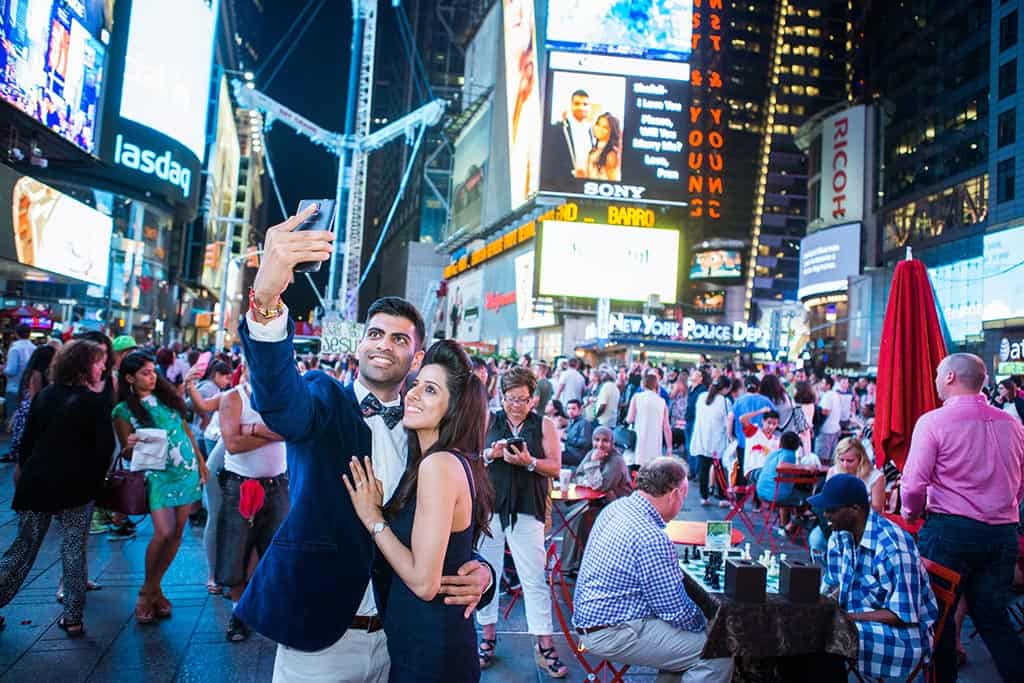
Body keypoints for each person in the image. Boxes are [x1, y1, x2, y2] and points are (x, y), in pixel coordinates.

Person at [241, 206, 492, 683]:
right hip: (321, 637)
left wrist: (479, 570)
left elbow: (444, 527)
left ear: (416, 356)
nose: (383, 344)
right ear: (359, 344)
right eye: (375, 333)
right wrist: (268, 297)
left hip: (400, 639)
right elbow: (278, 403)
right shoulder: (323, 400)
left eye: (399, 339)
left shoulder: (428, 438)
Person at [344, 340, 495, 682]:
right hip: (421, 643)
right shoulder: (432, 462)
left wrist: (374, 519)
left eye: (430, 390)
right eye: (415, 385)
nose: (412, 394)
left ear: (454, 409)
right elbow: (452, 554)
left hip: (431, 652)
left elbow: (425, 582)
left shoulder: (439, 465)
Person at [902, 353, 1024, 683]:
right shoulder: (1012, 423)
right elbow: (1020, 481)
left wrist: (911, 511)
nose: (936, 379)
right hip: (1002, 533)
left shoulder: (933, 422)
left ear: (952, 377)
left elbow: (913, 485)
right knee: (993, 619)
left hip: (951, 531)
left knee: (937, 618)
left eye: (939, 373)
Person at [573, 457, 733, 682]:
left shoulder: (616, 507)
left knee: (685, 643)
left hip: (591, 618)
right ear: (675, 494)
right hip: (612, 632)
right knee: (717, 651)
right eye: (684, 497)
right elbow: (674, 611)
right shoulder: (651, 537)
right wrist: (707, 624)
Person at [0, 340, 114, 636]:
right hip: (77, 487)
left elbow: (27, 443)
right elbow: (104, 449)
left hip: (38, 482)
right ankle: (73, 618)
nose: (103, 366)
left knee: (23, 548)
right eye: (98, 361)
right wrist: (96, 483)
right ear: (82, 365)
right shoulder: (93, 402)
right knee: (74, 549)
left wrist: (25, 473)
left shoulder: (46, 396)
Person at [477, 365, 568, 677]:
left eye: (522, 399)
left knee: (534, 578)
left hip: (528, 507)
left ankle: (544, 644)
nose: (515, 405)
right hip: (490, 506)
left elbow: (555, 467)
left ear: (533, 400)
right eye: (510, 399)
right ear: (501, 397)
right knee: (486, 574)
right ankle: (486, 637)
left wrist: (530, 463)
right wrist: (492, 453)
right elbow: (470, 456)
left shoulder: (544, 425)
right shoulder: (489, 419)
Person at [113, 352, 210, 624]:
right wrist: (133, 443)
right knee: (163, 531)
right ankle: (146, 591)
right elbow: (127, 453)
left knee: (177, 532)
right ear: (130, 378)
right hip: (157, 475)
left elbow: (186, 430)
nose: (152, 376)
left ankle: (156, 589)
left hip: (185, 470)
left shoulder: (168, 399)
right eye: (144, 373)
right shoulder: (122, 411)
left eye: (152, 371)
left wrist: (201, 462)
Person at [813, 475, 938, 681]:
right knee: (805, 629)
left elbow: (902, 614)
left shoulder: (892, 547)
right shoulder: (840, 534)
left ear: (855, 509)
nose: (825, 514)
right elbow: (835, 584)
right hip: (858, 617)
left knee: (830, 636)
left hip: (903, 637)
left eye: (832, 510)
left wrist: (848, 618)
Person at [215, 360, 289, 641]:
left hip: (278, 483)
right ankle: (238, 612)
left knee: (273, 549)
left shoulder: (280, 399)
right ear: (246, 370)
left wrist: (252, 430)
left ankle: (261, 606)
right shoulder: (233, 397)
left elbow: (290, 431)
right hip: (241, 484)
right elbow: (232, 443)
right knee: (236, 549)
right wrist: (269, 432)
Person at [559, 426, 632, 575]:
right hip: (597, 502)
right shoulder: (591, 454)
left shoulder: (616, 460)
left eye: (605, 441)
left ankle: (577, 564)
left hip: (616, 506)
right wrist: (589, 478)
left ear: (612, 443)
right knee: (572, 517)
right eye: (597, 440)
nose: (600, 445)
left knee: (579, 518)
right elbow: (578, 476)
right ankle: (572, 564)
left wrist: (593, 465)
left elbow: (601, 486)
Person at [808, 437, 885, 557]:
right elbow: (826, 502)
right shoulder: (834, 471)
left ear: (860, 459)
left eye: (850, 461)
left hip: (863, 526)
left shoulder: (876, 477)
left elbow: (877, 510)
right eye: (841, 460)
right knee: (816, 540)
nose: (844, 465)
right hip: (835, 523)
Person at [2, 345, 55, 464]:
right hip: (32, 410)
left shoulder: (32, 372)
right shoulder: (39, 374)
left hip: (26, 408)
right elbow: (36, 395)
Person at [689, 376, 732, 506]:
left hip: (702, 439)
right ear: (725, 389)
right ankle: (722, 498)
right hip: (717, 440)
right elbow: (728, 421)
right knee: (719, 469)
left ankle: (704, 497)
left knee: (704, 468)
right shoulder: (725, 402)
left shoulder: (702, 397)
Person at [756, 431, 807, 534]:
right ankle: (790, 525)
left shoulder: (774, 453)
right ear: (797, 446)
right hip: (775, 496)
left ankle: (783, 525)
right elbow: (782, 465)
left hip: (761, 492)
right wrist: (804, 467)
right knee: (807, 499)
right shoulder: (790, 455)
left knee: (788, 491)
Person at [728, 376, 773, 486]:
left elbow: (730, 417)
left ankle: (740, 499)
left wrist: (730, 436)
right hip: (761, 443)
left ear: (745, 387)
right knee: (760, 470)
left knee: (742, 470)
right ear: (758, 387)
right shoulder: (766, 401)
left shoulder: (739, 400)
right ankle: (758, 499)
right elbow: (774, 417)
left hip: (743, 442)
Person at [627, 371, 672, 467]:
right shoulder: (662, 402)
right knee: (651, 470)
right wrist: (669, 448)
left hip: (639, 440)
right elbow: (666, 427)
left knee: (637, 469)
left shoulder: (637, 397)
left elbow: (629, 419)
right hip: (655, 442)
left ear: (643, 384)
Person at [548, 88, 593, 178]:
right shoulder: (559, 128)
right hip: (565, 182)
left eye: (585, 104)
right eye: (577, 104)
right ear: (571, 105)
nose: (581, 107)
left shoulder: (591, 130)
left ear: (589, 107)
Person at [4, 324, 35, 423]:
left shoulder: (15, 349)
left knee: (12, 421)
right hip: (29, 390)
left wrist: (3, 369)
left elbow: (11, 371)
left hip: (14, 389)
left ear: (16, 333)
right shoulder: (35, 348)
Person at [579, 112, 622, 181]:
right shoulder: (594, 151)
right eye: (598, 124)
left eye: (605, 127)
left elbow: (614, 182)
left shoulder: (611, 155)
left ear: (612, 131)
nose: (599, 129)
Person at [815, 376, 842, 464]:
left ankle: (822, 478)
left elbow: (825, 411)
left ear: (828, 385)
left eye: (823, 383)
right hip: (834, 429)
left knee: (822, 459)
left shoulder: (828, 395)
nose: (821, 385)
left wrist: (815, 408)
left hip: (826, 430)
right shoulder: (835, 394)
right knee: (831, 458)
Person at [562, 398, 594, 467]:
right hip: (568, 450)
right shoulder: (571, 422)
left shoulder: (584, 423)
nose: (570, 411)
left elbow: (586, 443)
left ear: (579, 410)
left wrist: (567, 438)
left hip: (577, 455)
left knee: (556, 456)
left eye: (573, 409)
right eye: (568, 409)